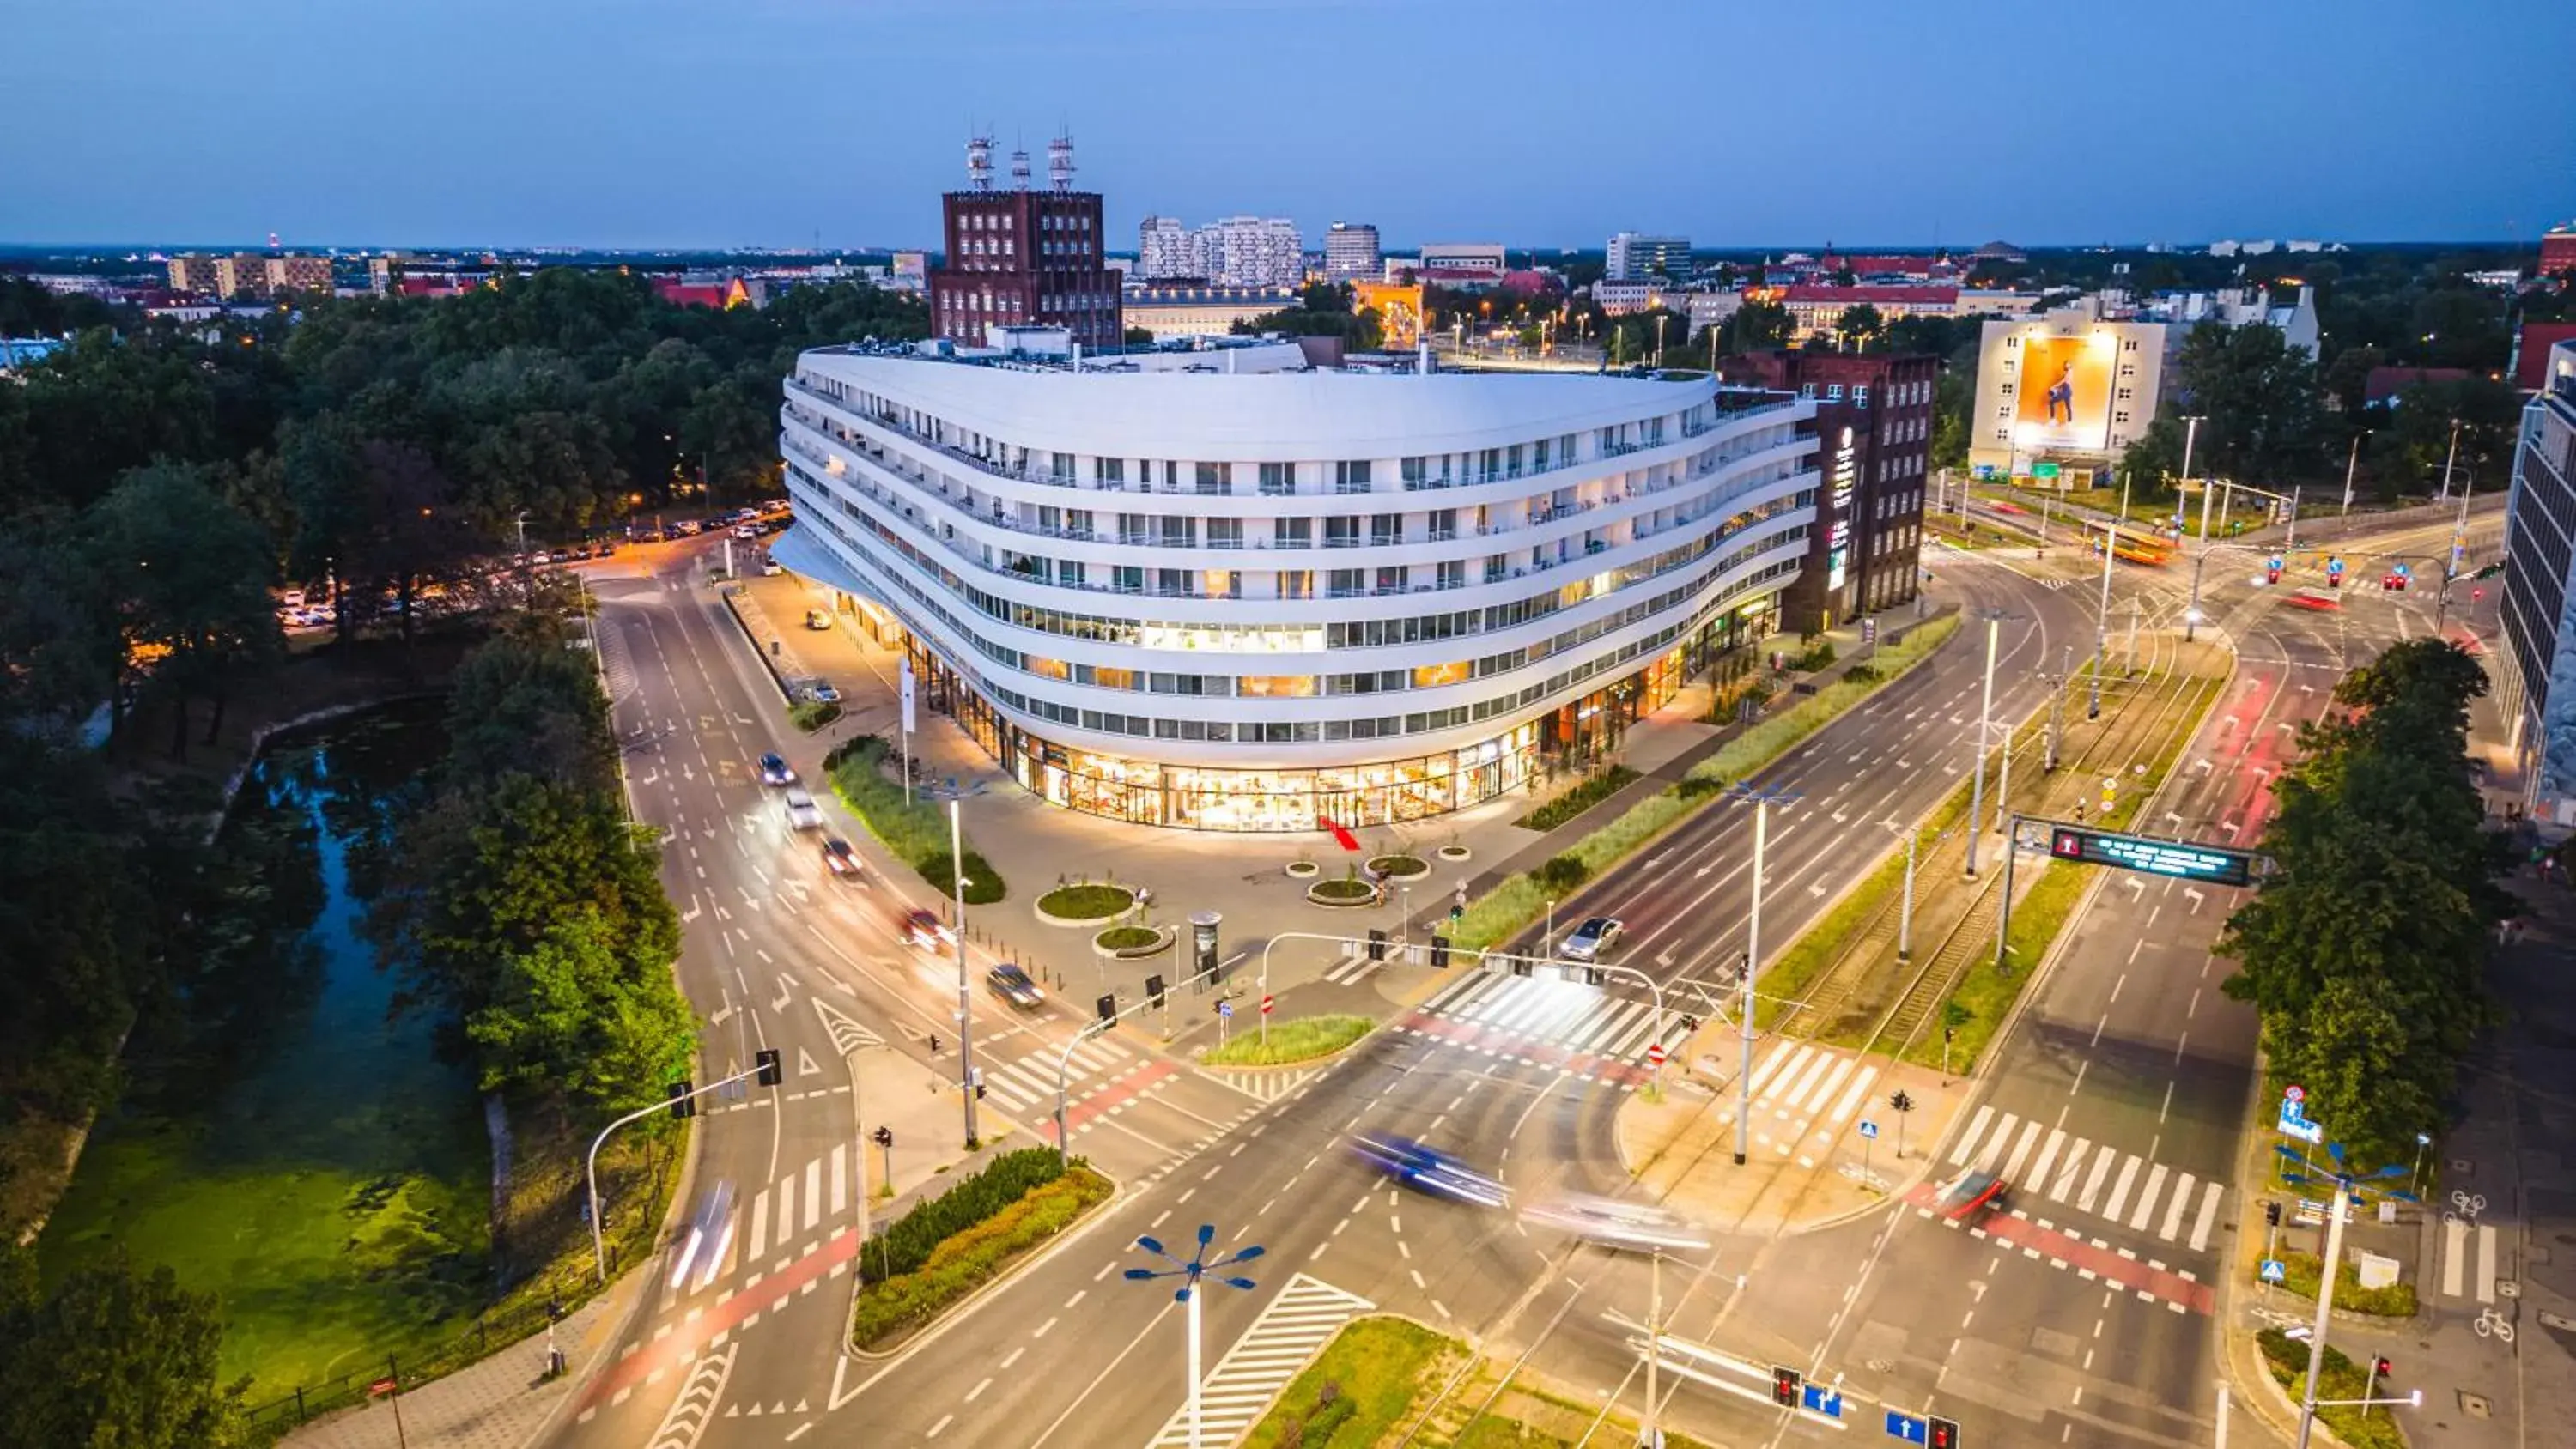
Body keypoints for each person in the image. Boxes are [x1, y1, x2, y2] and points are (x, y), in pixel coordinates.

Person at [2044, 360, 2076, 424]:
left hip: (2066, 391)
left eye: (2067, 364)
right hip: (2068, 391)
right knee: (2068, 406)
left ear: (2070, 365)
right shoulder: (2067, 372)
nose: (2066, 365)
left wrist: (2054, 386)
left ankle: (2052, 420)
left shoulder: (2070, 371)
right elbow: (2063, 383)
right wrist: (2057, 388)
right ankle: (2070, 421)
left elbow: (2063, 381)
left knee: (2052, 401)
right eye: (2065, 364)